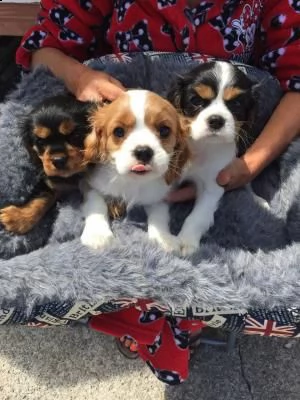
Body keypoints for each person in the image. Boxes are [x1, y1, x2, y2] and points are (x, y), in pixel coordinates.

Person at [15, 0, 300, 383]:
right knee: (118, 276)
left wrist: (250, 165)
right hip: (128, 167)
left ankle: (187, 323)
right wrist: (80, 76)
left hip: (229, 170)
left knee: (203, 279)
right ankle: (142, 325)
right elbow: (42, 49)